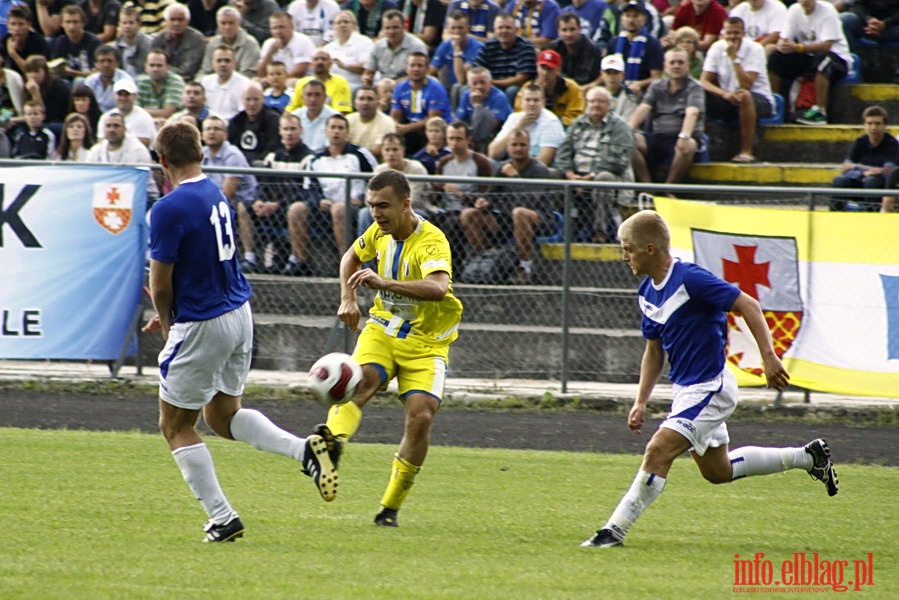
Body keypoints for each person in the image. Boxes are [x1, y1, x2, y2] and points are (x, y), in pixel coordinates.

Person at [580, 209, 838, 549]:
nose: (624, 256)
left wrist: (769, 356)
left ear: (650, 249)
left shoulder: (690, 278)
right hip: (688, 390)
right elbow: (654, 351)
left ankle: (612, 531)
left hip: (710, 388)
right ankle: (809, 457)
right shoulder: (647, 293)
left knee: (658, 450)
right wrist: (641, 400)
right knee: (719, 472)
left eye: (628, 248)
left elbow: (748, 304)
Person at [141, 120, 337, 543]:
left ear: (162, 161)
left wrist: (168, 321)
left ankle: (222, 517)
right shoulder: (215, 191)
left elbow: (159, 283)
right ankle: (305, 451)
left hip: (202, 321)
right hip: (238, 312)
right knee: (221, 417)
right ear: (202, 154)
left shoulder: (168, 207)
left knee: (175, 425)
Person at [312, 167, 463, 528]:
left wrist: (384, 283)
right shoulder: (378, 232)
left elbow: (438, 288)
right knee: (361, 382)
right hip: (384, 329)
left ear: (406, 205)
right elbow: (350, 257)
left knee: (422, 416)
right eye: (371, 205)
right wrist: (348, 299)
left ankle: (390, 508)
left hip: (428, 343)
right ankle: (330, 447)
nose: (376, 213)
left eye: (383, 206)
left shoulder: (431, 240)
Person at [461, 128, 558, 284]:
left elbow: (530, 202)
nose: (518, 148)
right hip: (506, 219)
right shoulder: (501, 168)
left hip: (539, 219)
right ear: (508, 147)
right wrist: (483, 202)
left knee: (519, 213)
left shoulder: (540, 170)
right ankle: (484, 262)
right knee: (469, 214)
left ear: (529, 147)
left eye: (522, 145)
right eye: (514, 145)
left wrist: (515, 176)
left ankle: (524, 267)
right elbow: (492, 195)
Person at [287, 113, 376, 261]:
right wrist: (318, 200)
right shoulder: (316, 159)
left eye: (341, 128)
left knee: (339, 209)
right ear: (326, 131)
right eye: (333, 127)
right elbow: (309, 188)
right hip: (322, 208)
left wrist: (362, 198)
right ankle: (300, 260)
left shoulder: (360, 155)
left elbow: (375, 180)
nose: (336, 131)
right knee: (296, 209)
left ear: (347, 132)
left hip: (352, 208)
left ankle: (346, 263)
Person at [556, 86, 634, 243]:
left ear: (608, 104)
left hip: (608, 177)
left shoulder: (620, 126)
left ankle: (601, 232)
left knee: (604, 178)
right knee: (552, 175)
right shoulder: (578, 124)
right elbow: (563, 153)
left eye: (601, 101)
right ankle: (559, 230)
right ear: (586, 103)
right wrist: (570, 175)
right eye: (592, 101)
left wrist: (590, 177)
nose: (596, 105)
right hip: (577, 175)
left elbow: (619, 160)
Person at [239, 112, 314, 274]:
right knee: (243, 207)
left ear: (301, 130)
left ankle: (296, 261)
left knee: (296, 209)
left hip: (292, 209)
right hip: (270, 209)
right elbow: (263, 185)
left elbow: (306, 192)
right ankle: (250, 258)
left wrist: (277, 205)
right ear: (279, 131)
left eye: (293, 129)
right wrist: (259, 201)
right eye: (285, 129)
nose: (289, 133)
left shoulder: (309, 158)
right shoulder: (272, 156)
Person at [699, 17, 775, 163]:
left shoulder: (755, 49)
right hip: (728, 96)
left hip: (759, 98)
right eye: (729, 33)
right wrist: (724, 94)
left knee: (744, 95)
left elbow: (746, 84)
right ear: (723, 33)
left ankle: (747, 151)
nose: (733, 37)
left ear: (743, 33)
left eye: (737, 33)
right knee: (697, 92)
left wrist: (734, 58)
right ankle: (700, 145)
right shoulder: (716, 48)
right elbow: (704, 81)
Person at [628, 48, 705, 185]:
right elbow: (644, 108)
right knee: (630, 140)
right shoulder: (656, 85)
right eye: (672, 62)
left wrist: (684, 136)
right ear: (665, 66)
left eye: (680, 62)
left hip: (681, 137)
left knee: (689, 145)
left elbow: (692, 113)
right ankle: (648, 186)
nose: (676, 66)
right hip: (657, 136)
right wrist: (628, 130)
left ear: (688, 66)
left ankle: (669, 187)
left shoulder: (695, 87)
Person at [767, 0, 851, 126]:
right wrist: (783, 45)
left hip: (837, 59)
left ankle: (820, 110)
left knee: (823, 59)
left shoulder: (827, 10)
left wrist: (798, 48)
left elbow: (826, 46)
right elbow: (785, 37)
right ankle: (775, 105)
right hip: (807, 56)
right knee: (775, 58)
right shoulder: (794, 10)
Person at [831, 105, 899, 211]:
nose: (873, 127)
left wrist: (856, 167)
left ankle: (870, 216)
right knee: (839, 181)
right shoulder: (860, 141)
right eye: (869, 123)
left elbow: (887, 171)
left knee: (872, 181)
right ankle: (834, 216)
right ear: (864, 125)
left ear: (885, 125)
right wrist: (863, 172)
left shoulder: (892, 144)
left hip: (879, 185)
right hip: (860, 179)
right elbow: (845, 167)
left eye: (877, 124)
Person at [87, 110, 160, 203]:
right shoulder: (95, 151)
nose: (112, 129)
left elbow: (139, 183)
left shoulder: (138, 150)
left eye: (116, 126)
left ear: (124, 128)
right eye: (108, 126)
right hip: (103, 198)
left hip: (142, 199)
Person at [488, 83, 564, 167]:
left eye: (536, 100)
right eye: (528, 100)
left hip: (538, 171)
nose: (531, 103)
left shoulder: (551, 122)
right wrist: (518, 127)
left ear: (543, 103)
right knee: (490, 163)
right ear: (521, 102)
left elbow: (544, 161)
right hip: (512, 165)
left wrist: (516, 171)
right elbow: (493, 154)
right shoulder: (513, 118)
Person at [390, 51, 451, 154]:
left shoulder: (436, 87)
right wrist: (397, 127)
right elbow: (395, 116)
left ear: (427, 69)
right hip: (412, 130)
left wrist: (405, 129)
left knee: (430, 131)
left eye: (420, 65)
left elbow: (433, 119)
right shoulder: (400, 87)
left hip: (435, 129)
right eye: (412, 65)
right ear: (406, 68)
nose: (416, 69)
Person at [473, 13, 536, 103]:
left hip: (514, 87)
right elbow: (477, 69)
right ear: (494, 30)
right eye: (500, 28)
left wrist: (493, 83)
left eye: (508, 27)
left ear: (516, 30)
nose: (504, 31)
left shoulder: (525, 47)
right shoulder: (488, 46)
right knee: (461, 88)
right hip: (489, 85)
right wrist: (484, 84)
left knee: (512, 90)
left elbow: (521, 78)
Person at [513, 49, 584, 126]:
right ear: (537, 68)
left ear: (558, 70)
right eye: (542, 68)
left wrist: (552, 121)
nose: (545, 73)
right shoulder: (527, 88)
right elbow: (519, 112)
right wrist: (539, 94)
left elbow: (576, 116)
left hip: (561, 126)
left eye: (550, 69)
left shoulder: (571, 87)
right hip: (531, 124)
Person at [607, 0, 663, 99]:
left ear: (644, 19)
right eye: (627, 16)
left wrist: (639, 84)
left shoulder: (653, 44)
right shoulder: (613, 43)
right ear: (621, 19)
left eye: (635, 16)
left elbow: (656, 78)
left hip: (642, 95)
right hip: (616, 93)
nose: (631, 20)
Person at [361, 9, 427, 86]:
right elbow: (368, 72)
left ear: (404, 27)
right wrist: (366, 78)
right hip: (381, 87)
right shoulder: (377, 46)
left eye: (395, 27)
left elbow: (419, 75)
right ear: (382, 29)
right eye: (387, 28)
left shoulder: (416, 46)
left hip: (408, 87)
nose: (391, 31)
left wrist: (393, 84)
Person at [454, 66, 511, 153]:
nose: (479, 86)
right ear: (469, 85)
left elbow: (489, 128)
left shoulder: (499, 97)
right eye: (475, 83)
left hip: (495, 134)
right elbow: (459, 121)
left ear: (490, 83)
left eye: (482, 82)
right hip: (472, 133)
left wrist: (477, 105)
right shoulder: (466, 95)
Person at [149, 2, 207, 82]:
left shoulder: (197, 39)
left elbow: (189, 70)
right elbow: (153, 67)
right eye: (172, 19)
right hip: (162, 81)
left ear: (187, 21)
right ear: (166, 21)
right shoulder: (158, 40)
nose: (176, 23)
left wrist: (164, 69)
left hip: (189, 83)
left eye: (180, 19)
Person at [200, 6, 261, 78]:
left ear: (239, 23)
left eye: (231, 23)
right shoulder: (213, 43)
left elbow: (248, 74)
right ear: (218, 24)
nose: (227, 27)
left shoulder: (250, 43)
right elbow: (206, 70)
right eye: (223, 23)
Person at [286, 49, 352, 115]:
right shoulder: (301, 82)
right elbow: (290, 110)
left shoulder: (340, 82)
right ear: (311, 64)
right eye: (316, 59)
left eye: (324, 59)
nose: (320, 62)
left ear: (330, 63)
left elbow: (342, 112)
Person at [549, 11, 604, 91]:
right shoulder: (554, 48)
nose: (568, 34)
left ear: (580, 29)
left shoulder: (592, 50)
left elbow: (587, 79)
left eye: (572, 29)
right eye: (564, 30)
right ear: (558, 31)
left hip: (585, 90)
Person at [429, 10, 483, 89]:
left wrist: (456, 49)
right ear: (448, 29)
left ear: (468, 29)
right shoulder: (445, 45)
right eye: (453, 28)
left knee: (458, 87)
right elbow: (431, 70)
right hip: (450, 86)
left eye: (460, 28)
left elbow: (461, 79)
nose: (456, 32)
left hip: (471, 87)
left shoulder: (477, 48)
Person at [228, 81, 280, 164]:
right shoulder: (236, 121)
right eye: (248, 99)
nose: (252, 103)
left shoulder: (274, 120)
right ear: (242, 100)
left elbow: (273, 148)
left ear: (263, 99)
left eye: (256, 99)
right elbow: (230, 147)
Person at [323, 10, 374, 93]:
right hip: (332, 86)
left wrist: (345, 66)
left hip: (355, 86)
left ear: (353, 25)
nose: (343, 25)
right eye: (339, 23)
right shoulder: (328, 48)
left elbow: (367, 66)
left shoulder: (364, 42)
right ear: (334, 26)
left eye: (346, 22)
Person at [97, 77, 156, 146]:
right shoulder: (106, 117)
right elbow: (101, 142)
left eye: (126, 94)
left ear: (135, 96)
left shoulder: (144, 117)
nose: (123, 98)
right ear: (114, 96)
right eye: (120, 94)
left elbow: (144, 142)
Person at [256, 11, 314, 81]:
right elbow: (261, 73)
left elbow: (300, 72)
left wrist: (276, 80)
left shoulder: (302, 41)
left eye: (282, 27)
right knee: (256, 81)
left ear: (292, 27)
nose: (278, 31)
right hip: (275, 81)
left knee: (291, 82)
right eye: (274, 28)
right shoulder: (268, 43)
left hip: (300, 81)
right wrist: (270, 52)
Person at [51, 5, 103, 81]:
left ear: (83, 23)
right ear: (62, 24)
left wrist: (73, 73)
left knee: (79, 81)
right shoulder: (61, 42)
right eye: (68, 22)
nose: (71, 26)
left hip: (88, 83)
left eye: (75, 22)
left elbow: (96, 74)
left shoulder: (94, 42)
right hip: (66, 83)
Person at [346, 84, 396, 161]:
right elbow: (342, 147)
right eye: (361, 99)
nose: (365, 103)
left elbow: (379, 151)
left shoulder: (387, 122)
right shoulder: (348, 120)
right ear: (355, 103)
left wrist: (354, 153)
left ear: (377, 102)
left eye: (370, 99)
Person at [201, 45, 251, 121]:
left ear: (234, 63)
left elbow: (243, 114)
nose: (223, 64)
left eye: (227, 61)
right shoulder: (205, 81)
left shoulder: (245, 84)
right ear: (213, 63)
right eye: (219, 61)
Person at [22, 54, 71, 128]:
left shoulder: (57, 86)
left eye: (36, 71)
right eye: (29, 72)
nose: (32, 75)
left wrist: (36, 93)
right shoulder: (27, 86)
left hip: (57, 123)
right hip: (35, 122)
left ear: (45, 72)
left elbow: (45, 117)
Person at [1, 5, 51, 77]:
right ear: (7, 25)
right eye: (13, 24)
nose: (16, 28)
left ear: (29, 25)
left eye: (21, 24)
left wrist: (13, 54)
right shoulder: (5, 40)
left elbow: (34, 74)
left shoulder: (38, 42)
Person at [137, 49, 185, 122]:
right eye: (152, 65)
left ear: (167, 67)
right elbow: (133, 111)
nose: (155, 69)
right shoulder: (140, 82)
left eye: (159, 66)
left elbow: (167, 113)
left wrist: (140, 111)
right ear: (146, 67)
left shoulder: (175, 81)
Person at [84, 44, 134, 112]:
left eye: (109, 61)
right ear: (96, 64)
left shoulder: (126, 81)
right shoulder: (90, 81)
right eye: (102, 61)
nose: (106, 65)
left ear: (117, 63)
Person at [291, 78, 338, 150]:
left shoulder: (334, 118)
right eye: (309, 95)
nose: (313, 99)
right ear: (302, 98)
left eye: (317, 95)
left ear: (325, 98)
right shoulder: (295, 116)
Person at [598, 53, 640, 121]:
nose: (612, 77)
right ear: (601, 74)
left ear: (623, 75)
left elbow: (628, 124)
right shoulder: (595, 94)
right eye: (608, 72)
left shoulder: (629, 97)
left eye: (616, 72)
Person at [115, 5, 153, 78]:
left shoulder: (147, 43)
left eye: (131, 23)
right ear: (119, 24)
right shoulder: (117, 44)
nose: (127, 26)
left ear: (139, 24)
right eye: (124, 23)